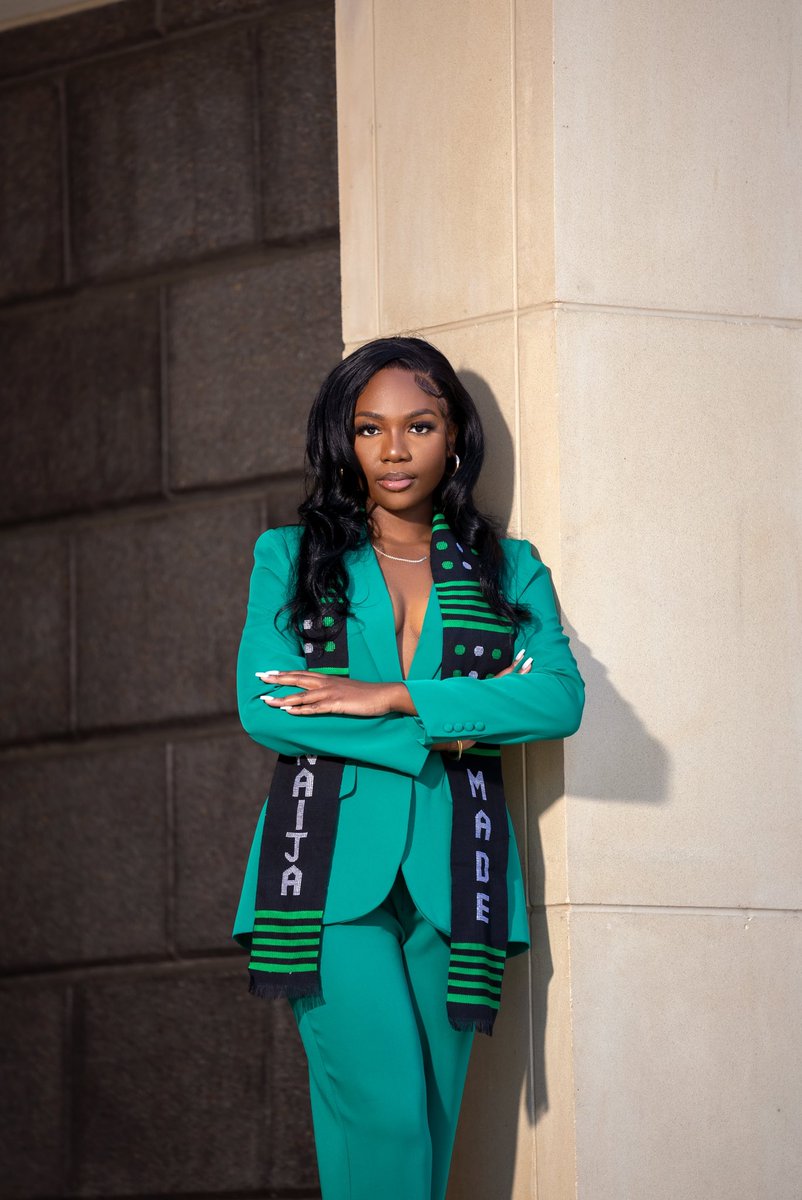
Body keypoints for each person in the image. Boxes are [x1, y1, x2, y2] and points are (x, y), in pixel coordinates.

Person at [231, 336, 585, 1200]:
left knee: (423, 1134)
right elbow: (266, 705)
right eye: (370, 429)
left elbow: (559, 701)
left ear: (456, 437)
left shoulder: (510, 571)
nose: (394, 450)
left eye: (419, 425)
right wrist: (463, 725)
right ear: (342, 440)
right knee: (385, 1115)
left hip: (457, 881)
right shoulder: (291, 558)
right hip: (325, 879)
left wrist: (390, 697)